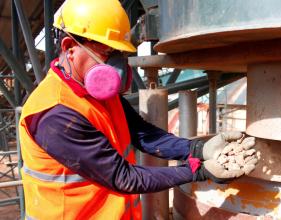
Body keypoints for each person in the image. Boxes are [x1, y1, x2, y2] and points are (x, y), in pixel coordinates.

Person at [18, 0, 257, 219]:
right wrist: (198, 170)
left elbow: (143, 134)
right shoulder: (54, 114)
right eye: (107, 54)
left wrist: (197, 148)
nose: (116, 66)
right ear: (70, 47)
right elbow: (124, 177)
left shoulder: (97, 93)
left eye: (119, 54)